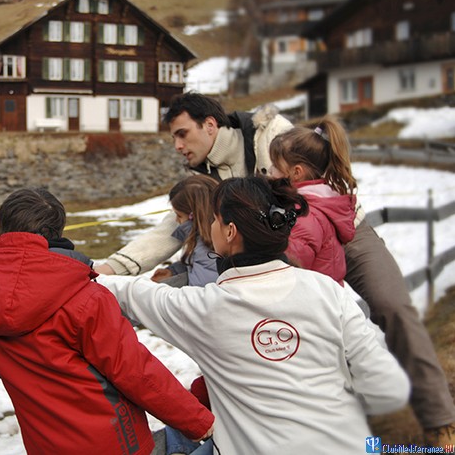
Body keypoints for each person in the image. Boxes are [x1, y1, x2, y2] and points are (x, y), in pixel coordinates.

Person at [94, 92, 455, 444]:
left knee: (392, 306)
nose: (177, 145)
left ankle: (440, 418)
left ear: (209, 125)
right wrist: (111, 267)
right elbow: (170, 230)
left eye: (181, 133)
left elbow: (312, 170)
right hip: (286, 246)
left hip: (338, 227)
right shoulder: (205, 176)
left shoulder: (267, 134)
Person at [98, 176, 410, 454]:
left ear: (230, 231)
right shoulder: (327, 291)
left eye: (216, 220)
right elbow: (390, 389)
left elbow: (128, 292)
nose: (210, 226)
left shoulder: (200, 308)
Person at [0, 187, 214, 455]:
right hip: (115, 442)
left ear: (2, 231)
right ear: (58, 231)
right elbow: (135, 370)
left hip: (45, 445)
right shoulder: (85, 298)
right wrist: (199, 423)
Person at [268, 116, 356, 285]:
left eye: (276, 166)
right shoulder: (316, 202)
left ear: (296, 172)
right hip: (320, 299)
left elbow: (288, 268)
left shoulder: (305, 215)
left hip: (313, 304)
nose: (270, 171)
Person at [151, 175, 220, 288]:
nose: (176, 220)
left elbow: (198, 295)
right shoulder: (210, 244)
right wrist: (174, 271)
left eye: (179, 215)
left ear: (193, 216)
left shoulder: (205, 250)